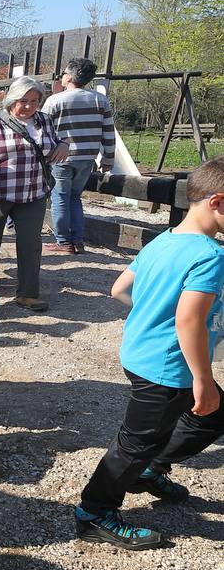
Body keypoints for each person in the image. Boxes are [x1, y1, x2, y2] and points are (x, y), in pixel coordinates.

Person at [72, 158, 224, 549]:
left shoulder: (166, 238)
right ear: (218, 202)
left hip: (141, 353)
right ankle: (94, 512)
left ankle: (149, 470)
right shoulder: (210, 255)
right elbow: (189, 322)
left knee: (211, 417)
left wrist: (153, 313)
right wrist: (203, 380)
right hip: (169, 367)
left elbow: (120, 290)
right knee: (135, 442)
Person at [0, 76, 70, 312]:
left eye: (34, 101)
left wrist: (64, 145)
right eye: (23, 101)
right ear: (11, 99)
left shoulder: (45, 120)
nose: (29, 106)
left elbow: (54, 143)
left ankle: (28, 294)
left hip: (34, 192)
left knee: (31, 244)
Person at [42, 57, 115, 254]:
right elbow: (108, 132)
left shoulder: (55, 101)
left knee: (60, 197)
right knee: (75, 197)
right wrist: (108, 159)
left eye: (64, 73)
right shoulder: (100, 100)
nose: (62, 77)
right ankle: (78, 241)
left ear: (70, 77)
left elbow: (42, 131)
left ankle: (63, 241)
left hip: (61, 158)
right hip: (87, 158)